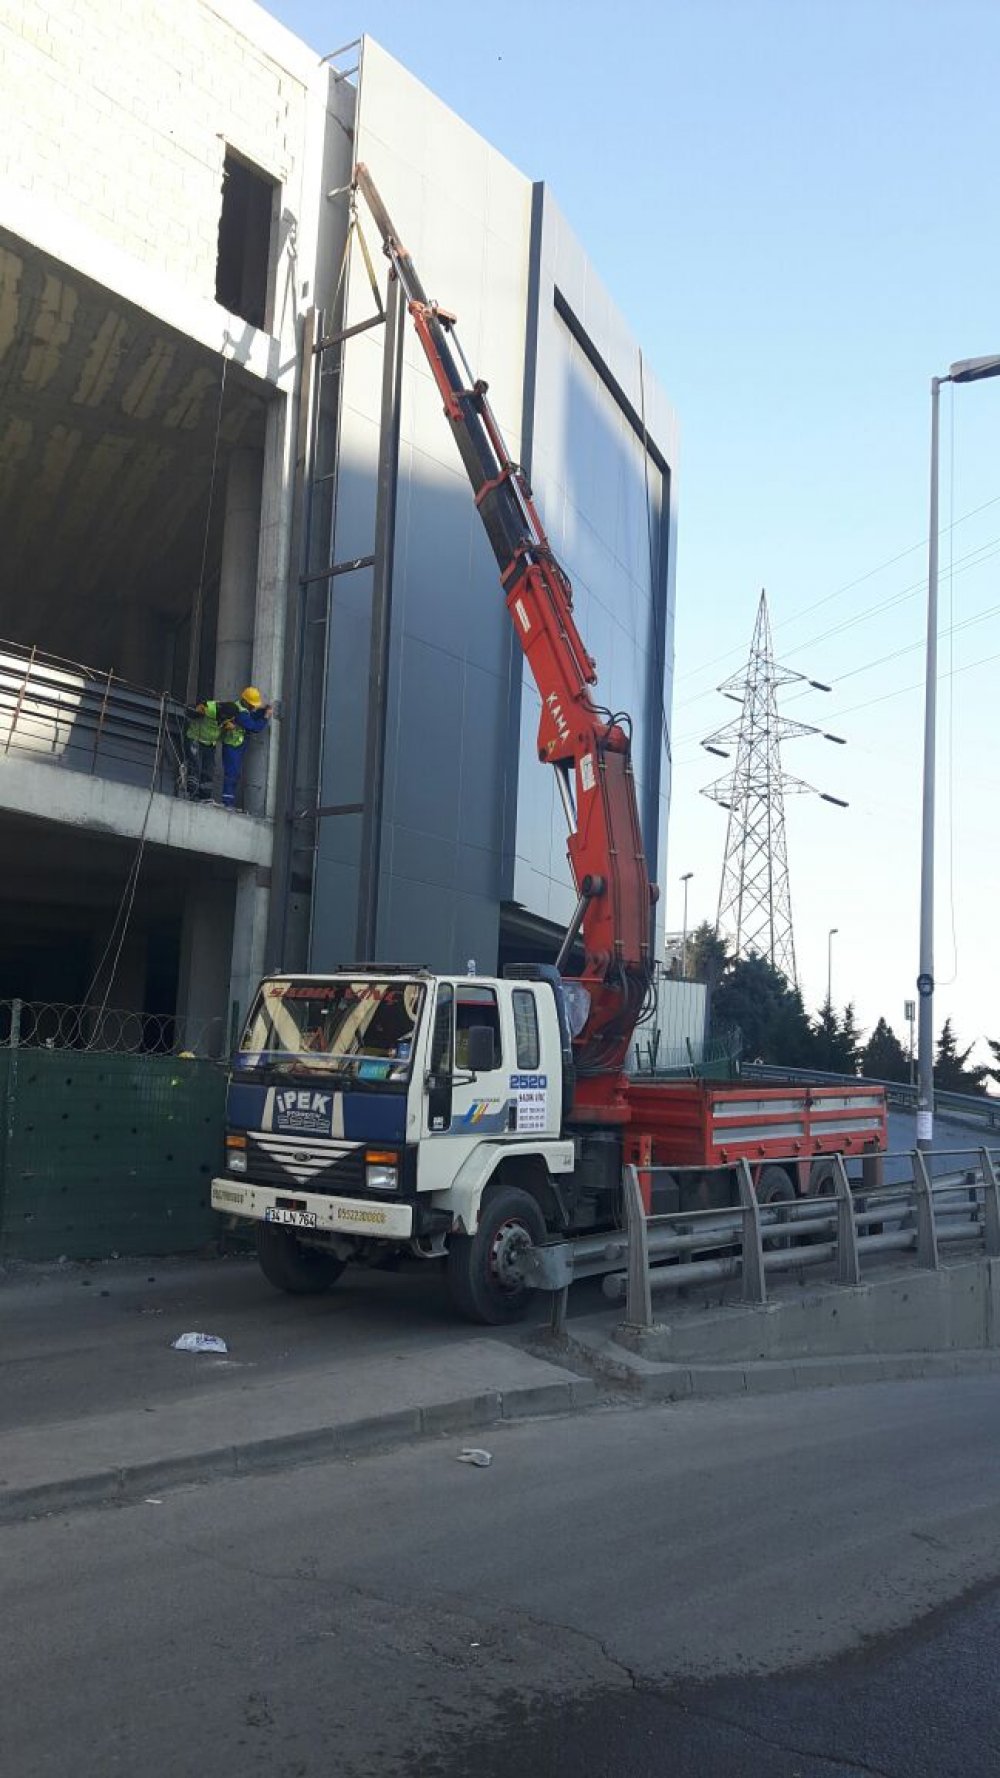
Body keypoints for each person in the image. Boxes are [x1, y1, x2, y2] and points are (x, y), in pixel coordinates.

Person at [219, 686, 272, 809]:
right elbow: (254, 727)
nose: (254, 706)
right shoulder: (240, 713)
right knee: (232, 774)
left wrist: (262, 710)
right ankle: (227, 803)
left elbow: (251, 716)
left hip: (236, 746)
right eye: (252, 704)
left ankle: (228, 802)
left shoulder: (241, 708)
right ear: (246, 702)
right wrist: (265, 717)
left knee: (234, 773)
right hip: (233, 746)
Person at [183, 699, 223, 801]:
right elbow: (189, 712)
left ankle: (205, 796)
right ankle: (191, 793)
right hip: (196, 740)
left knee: (208, 771)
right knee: (195, 767)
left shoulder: (227, 717)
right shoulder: (207, 709)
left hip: (209, 744)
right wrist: (197, 710)